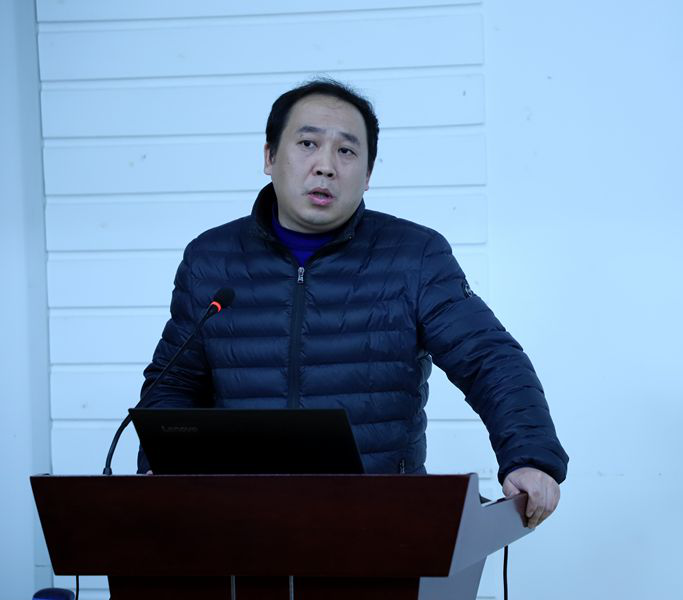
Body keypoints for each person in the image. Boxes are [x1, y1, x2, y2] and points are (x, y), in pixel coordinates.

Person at [138, 78, 568, 528]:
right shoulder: (211, 259)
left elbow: (488, 358)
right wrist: (161, 463)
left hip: (379, 521)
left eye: (346, 151)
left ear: (367, 175)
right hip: (241, 518)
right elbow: (174, 381)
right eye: (308, 143)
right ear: (269, 157)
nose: (325, 166)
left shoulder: (413, 256)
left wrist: (529, 456)